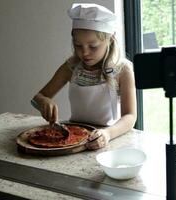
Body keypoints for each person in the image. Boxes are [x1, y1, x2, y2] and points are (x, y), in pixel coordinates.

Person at [32, 3, 137, 150]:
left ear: (110, 39)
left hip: (109, 139)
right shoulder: (71, 67)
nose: (85, 53)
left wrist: (107, 134)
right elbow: (37, 98)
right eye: (78, 45)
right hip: (75, 138)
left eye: (93, 46)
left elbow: (130, 117)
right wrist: (44, 101)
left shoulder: (122, 70)